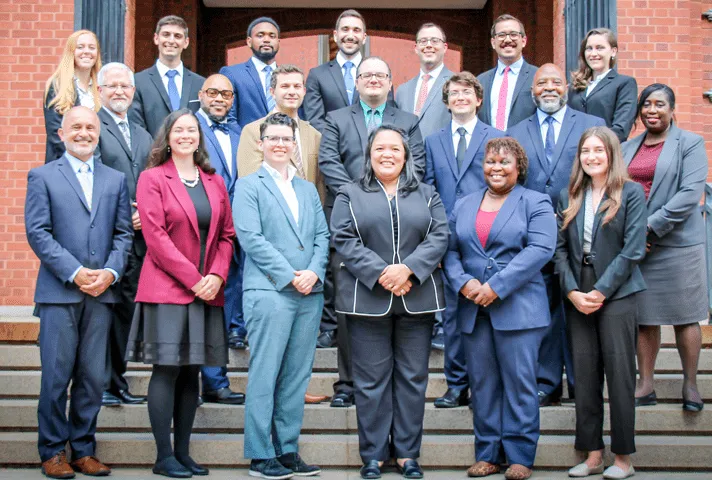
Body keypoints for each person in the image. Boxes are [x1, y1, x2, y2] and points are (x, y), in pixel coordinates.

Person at [331, 125, 449, 480]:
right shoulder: (349, 194)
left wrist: (409, 270)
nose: (387, 154)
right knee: (370, 381)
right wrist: (384, 272)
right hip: (366, 298)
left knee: (413, 378)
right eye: (380, 148)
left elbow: (440, 234)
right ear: (369, 154)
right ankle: (373, 454)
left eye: (395, 149)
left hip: (418, 297)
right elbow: (344, 238)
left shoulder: (427, 194)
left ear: (406, 155)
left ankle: (408, 454)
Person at [126, 109, 234, 478]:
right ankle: (163, 456)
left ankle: (184, 453)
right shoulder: (152, 178)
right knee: (167, 368)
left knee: (193, 372)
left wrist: (216, 275)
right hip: (168, 290)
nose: (186, 135)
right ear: (167, 137)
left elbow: (227, 235)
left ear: (199, 138)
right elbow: (155, 237)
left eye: (192, 130)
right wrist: (194, 279)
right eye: (179, 130)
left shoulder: (213, 181)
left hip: (208, 291)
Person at [26, 106, 132, 479]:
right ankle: (53, 451)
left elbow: (124, 233)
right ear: (62, 134)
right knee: (56, 376)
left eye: (90, 127)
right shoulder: (42, 177)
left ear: (98, 133)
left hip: (102, 293)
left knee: (91, 377)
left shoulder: (115, 179)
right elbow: (38, 232)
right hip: (59, 293)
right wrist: (75, 271)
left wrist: (109, 271)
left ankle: (83, 449)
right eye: (77, 127)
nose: (84, 132)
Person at [445, 137, 556, 480]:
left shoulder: (535, 201)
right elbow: (448, 251)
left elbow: (540, 249)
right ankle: (488, 453)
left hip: (519, 309)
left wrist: (497, 286)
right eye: (491, 162)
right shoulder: (463, 204)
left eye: (504, 162)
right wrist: (463, 282)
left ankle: (521, 455)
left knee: (520, 384)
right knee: (483, 385)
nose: (496, 168)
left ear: (519, 167)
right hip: (473, 309)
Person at [319, 55, 426, 408]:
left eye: (381, 75)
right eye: (367, 75)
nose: (374, 80)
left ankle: (393, 380)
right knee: (350, 304)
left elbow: (417, 166)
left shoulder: (408, 122)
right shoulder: (335, 120)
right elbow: (328, 163)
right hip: (349, 222)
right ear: (357, 82)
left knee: (399, 304)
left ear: (391, 81)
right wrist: (360, 198)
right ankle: (348, 383)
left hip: (401, 228)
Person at [234, 113, 329, 479]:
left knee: (296, 375)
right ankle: (261, 454)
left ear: (294, 144)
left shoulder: (306, 188)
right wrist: (290, 276)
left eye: (286, 139)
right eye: (272, 138)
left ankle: (287, 449)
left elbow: (322, 236)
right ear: (261, 143)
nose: (279, 144)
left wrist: (314, 272)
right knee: (265, 372)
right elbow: (251, 239)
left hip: (310, 292)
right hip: (270, 290)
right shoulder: (249, 185)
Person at [507, 63, 605, 407]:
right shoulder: (516, 130)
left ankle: (583, 382)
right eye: (541, 83)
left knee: (579, 311)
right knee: (545, 310)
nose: (549, 88)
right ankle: (547, 383)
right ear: (532, 91)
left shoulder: (592, 126)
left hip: (582, 232)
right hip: (534, 236)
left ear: (567, 87)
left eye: (555, 82)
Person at [555, 126, 646, 480]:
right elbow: (559, 251)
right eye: (585, 151)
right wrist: (572, 292)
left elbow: (633, 249)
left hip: (617, 293)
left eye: (599, 150)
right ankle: (593, 455)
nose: (591, 157)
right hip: (578, 293)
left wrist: (602, 291)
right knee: (584, 376)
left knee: (620, 377)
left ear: (611, 154)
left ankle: (623, 457)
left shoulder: (631, 193)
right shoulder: (568, 195)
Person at [622, 83, 709, 412]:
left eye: (659, 104)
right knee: (645, 318)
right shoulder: (628, 147)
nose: (651, 110)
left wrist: (648, 226)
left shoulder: (690, 143)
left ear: (672, 110)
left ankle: (690, 383)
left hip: (677, 245)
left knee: (686, 317)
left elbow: (689, 195)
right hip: (639, 246)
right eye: (646, 104)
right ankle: (645, 384)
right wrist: (631, 232)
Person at [424, 71, 504, 409]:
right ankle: (456, 384)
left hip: (487, 235)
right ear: (446, 101)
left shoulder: (497, 137)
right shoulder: (433, 140)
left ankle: (486, 386)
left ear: (478, 99)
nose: (460, 98)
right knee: (454, 317)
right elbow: (428, 187)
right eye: (454, 93)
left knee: (488, 314)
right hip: (447, 237)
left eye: (466, 92)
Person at [94, 62, 152, 407]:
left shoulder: (142, 133)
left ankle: (117, 380)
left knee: (125, 314)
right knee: (104, 312)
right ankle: (99, 382)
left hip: (138, 241)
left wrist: (145, 212)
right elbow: (93, 176)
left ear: (133, 92)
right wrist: (124, 215)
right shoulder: (92, 125)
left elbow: (152, 179)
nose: (119, 92)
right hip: (104, 238)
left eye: (125, 86)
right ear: (100, 90)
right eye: (112, 86)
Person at [195, 74, 247, 405]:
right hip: (199, 229)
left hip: (235, 230)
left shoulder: (242, 133)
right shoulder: (188, 129)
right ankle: (206, 380)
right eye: (213, 92)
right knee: (206, 305)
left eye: (226, 94)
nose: (219, 99)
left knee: (226, 300)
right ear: (201, 95)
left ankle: (215, 378)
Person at [129, 16, 205, 137]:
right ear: (156, 38)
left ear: (186, 42)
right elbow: (136, 128)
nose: (171, 40)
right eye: (166, 34)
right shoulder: (138, 82)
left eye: (177, 36)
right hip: (152, 154)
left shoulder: (200, 84)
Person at [568, 28, 638, 143]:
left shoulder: (624, 84)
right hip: (574, 154)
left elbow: (621, 129)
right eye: (589, 48)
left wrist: (592, 145)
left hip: (606, 153)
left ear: (613, 51)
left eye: (600, 48)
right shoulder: (575, 86)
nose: (593, 53)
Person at [44, 30, 102, 164]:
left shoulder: (101, 88)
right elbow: (56, 136)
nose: (86, 51)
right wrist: (85, 163)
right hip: (66, 167)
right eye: (80, 47)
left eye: (92, 48)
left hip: (98, 167)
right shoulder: (57, 87)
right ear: (71, 52)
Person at [304, 9, 367, 132]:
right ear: (335, 35)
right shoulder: (317, 75)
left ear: (364, 38)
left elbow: (387, 116)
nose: (350, 36)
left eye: (356, 30)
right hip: (331, 148)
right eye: (345, 29)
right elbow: (315, 120)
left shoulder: (379, 73)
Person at [477, 15, 537, 130]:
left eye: (513, 34)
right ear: (493, 42)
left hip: (525, 146)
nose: (508, 40)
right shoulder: (480, 81)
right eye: (501, 35)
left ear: (524, 41)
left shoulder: (537, 77)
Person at [395, 22, 454, 138]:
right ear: (416, 48)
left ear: (445, 47)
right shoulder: (403, 90)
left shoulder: (456, 84)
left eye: (434, 41)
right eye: (423, 41)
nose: (428, 45)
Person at [220, 17, 280, 128]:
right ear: (249, 41)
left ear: (278, 42)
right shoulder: (232, 74)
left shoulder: (288, 77)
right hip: (246, 143)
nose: (266, 40)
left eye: (272, 36)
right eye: (260, 35)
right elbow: (229, 119)